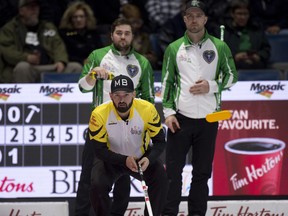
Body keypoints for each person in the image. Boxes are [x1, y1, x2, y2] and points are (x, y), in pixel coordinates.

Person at [161, 1, 237, 215]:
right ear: (184, 19)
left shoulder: (219, 47)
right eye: (189, 16)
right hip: (180, 119)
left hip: (209, 120)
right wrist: (168, 113)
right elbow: (167, 83)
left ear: (205, 19)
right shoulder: (174, 48)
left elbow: (232, 76)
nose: (194, 19)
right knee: (172, 173)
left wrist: (210, 86)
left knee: (202, 174)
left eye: (198, 15)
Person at [76, 17, 155, 216]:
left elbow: (148, 99)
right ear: (111, 35)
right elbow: (82, 87)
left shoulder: (142, 62)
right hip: (100, 128)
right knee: (88, 178)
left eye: (127, 33)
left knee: (122, 181)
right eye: (119, 33)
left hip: (128, 130)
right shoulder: (98, 55)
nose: (123, 36)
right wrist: (92, 75)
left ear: (133, 36)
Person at [88, 74, 167, 216]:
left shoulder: (147, 109)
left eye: (126, 95)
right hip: (111, 158)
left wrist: (149, 159)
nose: (121, 99)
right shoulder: (99, 114)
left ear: (134, 94)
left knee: (160, 177)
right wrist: (123, 160)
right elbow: (99, 151)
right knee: (97, 184)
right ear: (111, 95)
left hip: (140, 157)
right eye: (117, 95)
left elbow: (160, 141)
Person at [0, 0, 83, 83]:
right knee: (22, 67)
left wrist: (60, 60)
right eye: (30, 7)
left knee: (76, 67)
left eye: (36, 7)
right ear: (21, 11)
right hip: (28, 67)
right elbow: (7, 50)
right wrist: (26, 57)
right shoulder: (10, 29)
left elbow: (58, 45)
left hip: (50, 66)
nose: (34, 10)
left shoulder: (48, 27)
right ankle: (25, 96)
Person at [219, 0, 271, 70]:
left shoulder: (257, 30)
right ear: (232, 14)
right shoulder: (224, 32)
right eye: (239, 14)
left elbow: (266, 49)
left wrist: (258, 56)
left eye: (245, 14)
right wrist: (234, 56)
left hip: (255, 65)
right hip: (231, 66)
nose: (243, 17)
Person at [59, 1, 103, 65]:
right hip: (76, 66)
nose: (78, 20)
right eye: (75, 17)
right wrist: (82, 61)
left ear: (86, 18)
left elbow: (100, 50)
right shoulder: (64, 35)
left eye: (81, 16)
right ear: (70, 19)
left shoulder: (93, 33)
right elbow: (66, 55)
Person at [121, 3, 158, 69]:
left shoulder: (144, 37)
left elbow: (153, 59)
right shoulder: (116, 38)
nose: (136, 26)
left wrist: (151, 58)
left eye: (138, 22)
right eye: (132, 22)